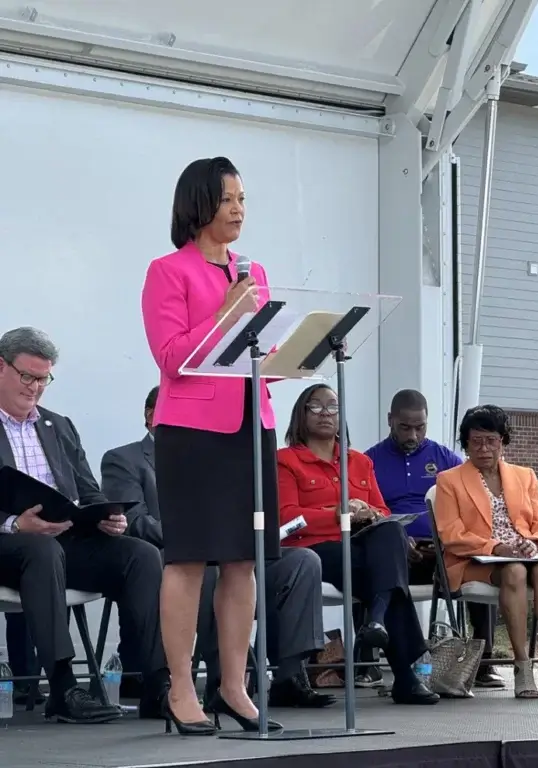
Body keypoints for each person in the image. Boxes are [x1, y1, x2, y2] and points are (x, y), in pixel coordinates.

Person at [141, 156, 284, 735]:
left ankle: (233, 686)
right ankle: (180, 686)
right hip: (195, 432)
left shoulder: (254, 272)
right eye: (228, 199)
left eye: (244, 200)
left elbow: (260, 357)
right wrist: (226, 315)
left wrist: (286, 355)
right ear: (198, 204)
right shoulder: (167, 271)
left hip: (254, 426)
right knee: (189, 559)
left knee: (243, 562)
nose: (239, 210)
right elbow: (172, 358)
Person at [100, 386, 333, 709]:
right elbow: (135, 520)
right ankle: (219, 682)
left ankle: (288, 677)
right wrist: (199, 534)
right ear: (152, 416)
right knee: (204, 562)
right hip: (175, 554)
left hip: (231, 548)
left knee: (302, 562)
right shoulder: (123, 459)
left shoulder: (219, 454)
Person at [0, 327, 168, 723]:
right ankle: (61, 687)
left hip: (63, 540)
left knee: (140, 555)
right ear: (1, 368)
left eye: (44, 379)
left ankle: (156, 684)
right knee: (41, 549)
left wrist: (107, 516)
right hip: (11, 544)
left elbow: (88, 491)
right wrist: (13, 524)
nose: (36, 388)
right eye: (28, 376)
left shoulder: (58, 426)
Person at [277, 384, 439, 705]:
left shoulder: (359, 462)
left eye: (333, 408)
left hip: (361, 549)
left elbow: (384, 512)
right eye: (317, 407)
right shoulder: (286, 461)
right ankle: (401, 670)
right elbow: (286, 520)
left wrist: (369, 512)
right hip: (314, 549)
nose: (326, 413)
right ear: (301, 414)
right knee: (386, 576)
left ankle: (377, 621)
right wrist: (338, 515)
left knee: (391, 531)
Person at [365, 389, 504, 689]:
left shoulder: (447, 460)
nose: (413, 434)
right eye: (405, 427)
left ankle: (484, 661)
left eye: (420, 427)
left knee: (479, 562)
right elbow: (368, 515)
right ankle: (372, 658)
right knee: (369, 562)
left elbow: (472, 508)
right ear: (390, 420)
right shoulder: (369, 462)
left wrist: (445, 543)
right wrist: (400, 542)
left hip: (444, 551)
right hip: (395, 553)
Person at [434, 405, 538, 699]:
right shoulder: (449, 480)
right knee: (514, 571)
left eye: (491, 440)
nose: (483, 448)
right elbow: (452, 534)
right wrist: (496, 547)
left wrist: (535, 542)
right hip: (476, 559)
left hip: (525, 553)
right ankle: (521, 666)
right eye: (475, 440)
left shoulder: (525, 476)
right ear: (465, 443)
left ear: (503, 441)